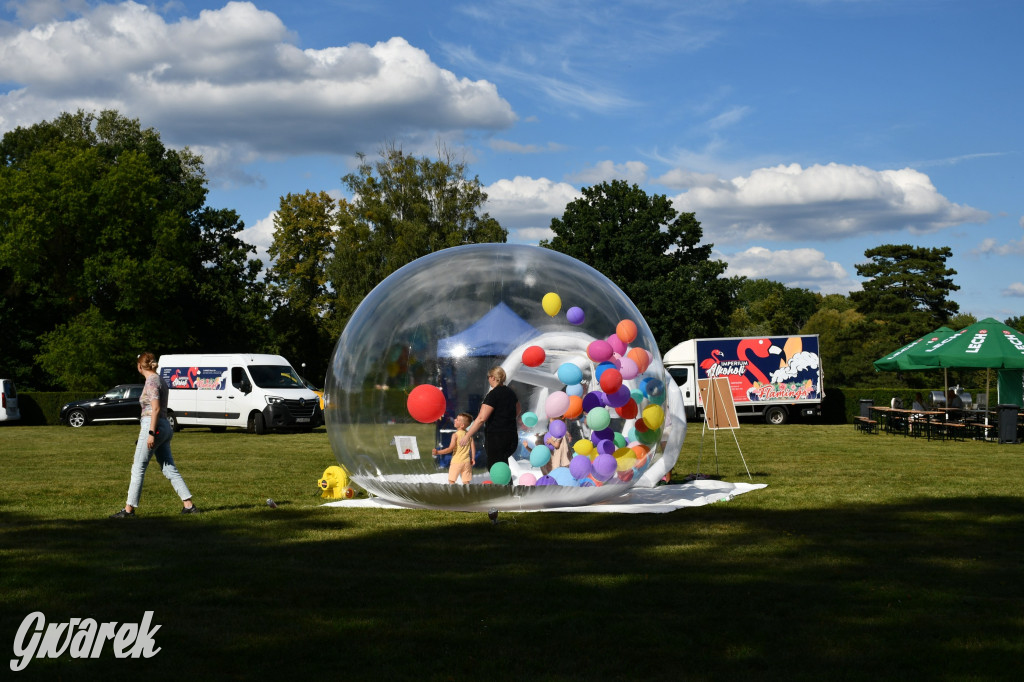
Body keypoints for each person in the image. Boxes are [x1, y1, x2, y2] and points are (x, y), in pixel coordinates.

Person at [110, 352, 198, 518]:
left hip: (154, 424)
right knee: (168, 467)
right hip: (164, 426)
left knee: (138, 466)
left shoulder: (151, 381)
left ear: (139, 366)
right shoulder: (160, 380)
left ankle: (128, 510)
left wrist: (150, 433)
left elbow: (155, 408)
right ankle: (189, 505)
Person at [461, 366, 520, 473]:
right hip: (512, 436)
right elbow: (518, 410)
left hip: (497, 437)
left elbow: (481, 418)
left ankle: (504, 488)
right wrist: (506, 418)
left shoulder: (493, 395)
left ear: (493, 377)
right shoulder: (511, 393)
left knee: (495, 468)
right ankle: (508, 488)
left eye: (488, 377)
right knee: (502, 465)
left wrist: (468, 435)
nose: (488, 379)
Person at [432, 412, 476, 484]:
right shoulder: (469, 435)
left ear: (462, 425)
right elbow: (473, 448)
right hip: (467, 462)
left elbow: (450, 449)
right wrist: (473, 458)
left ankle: (453, 494)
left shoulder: (455, 435)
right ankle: (467, 494)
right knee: (466, 481)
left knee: (451, 480)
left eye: (457, 420)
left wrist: (438, 452)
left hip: (456, 462)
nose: (455, 420)